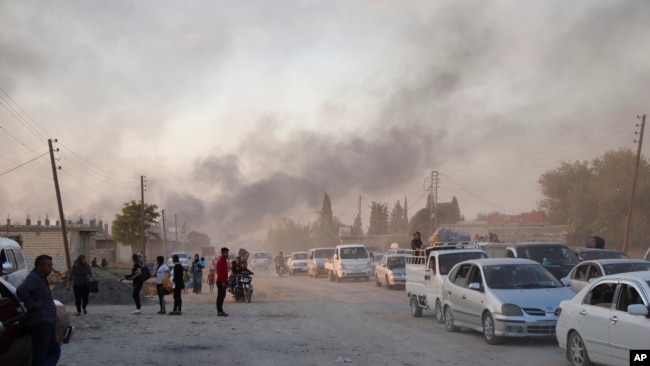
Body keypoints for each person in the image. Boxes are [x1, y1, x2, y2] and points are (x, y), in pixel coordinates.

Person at [16, 254, 61, 366]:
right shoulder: (34, 277)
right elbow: (21, 290)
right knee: (43, 354)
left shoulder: (40, 278)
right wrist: (32, 305)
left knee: (53, 351)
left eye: (51, 265)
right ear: (40, 267)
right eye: (48, 265)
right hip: (40, 321)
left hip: (46, 321)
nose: (51, 268)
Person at [216, 247, 229, 317]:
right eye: (226, 253)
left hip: (224, 281)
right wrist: (223, 281)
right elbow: (220, 272)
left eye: (227, 253)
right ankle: (219, 311)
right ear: (223, 253)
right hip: (221, 281)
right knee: (220, 297)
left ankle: (221, 310)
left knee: (222, 296)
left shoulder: (224, 261)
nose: (227, 254)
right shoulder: (220, 261)